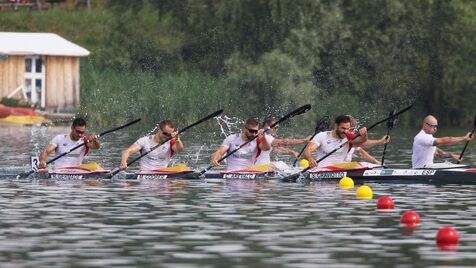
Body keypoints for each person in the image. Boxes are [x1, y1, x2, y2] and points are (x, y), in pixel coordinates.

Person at [304, 115, 368, 168]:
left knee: (359, 164)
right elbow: (307, 151)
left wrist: (364, 134)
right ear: (336, 126)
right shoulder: (322, 136)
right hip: (322, 169)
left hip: (340, 168)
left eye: (347, 128)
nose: (345, 131)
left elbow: (362, 140)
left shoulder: (349, 136)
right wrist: (310, 159)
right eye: (343, 128)